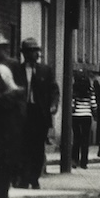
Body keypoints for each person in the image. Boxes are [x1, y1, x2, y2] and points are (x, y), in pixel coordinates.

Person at [13, 37, 59, 189]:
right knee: (22, 146)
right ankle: (24, 178)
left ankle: (34, 177)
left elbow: (54, 90)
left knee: (37, 147)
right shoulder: (16, 70)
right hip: (22, 113)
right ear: (24, 53)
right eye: (31, 51)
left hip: (39, 114)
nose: (35, 54)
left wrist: (53, 105)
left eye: (36, 51)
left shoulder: (45, 70)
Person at [0, 33, 24, 198]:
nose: (3, 51)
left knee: (1, 178)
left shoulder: (5, 69)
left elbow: (15, 91)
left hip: (5, 132)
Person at [71, 71, 97, 169]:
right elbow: (93, 105)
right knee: (85, 139)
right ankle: (84, 162)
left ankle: (74, 160)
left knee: (76, 138)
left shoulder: (74, 91)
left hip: (76, 116)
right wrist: (95, 114)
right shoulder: (90, 90)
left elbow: (72, 105)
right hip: (86, 116)